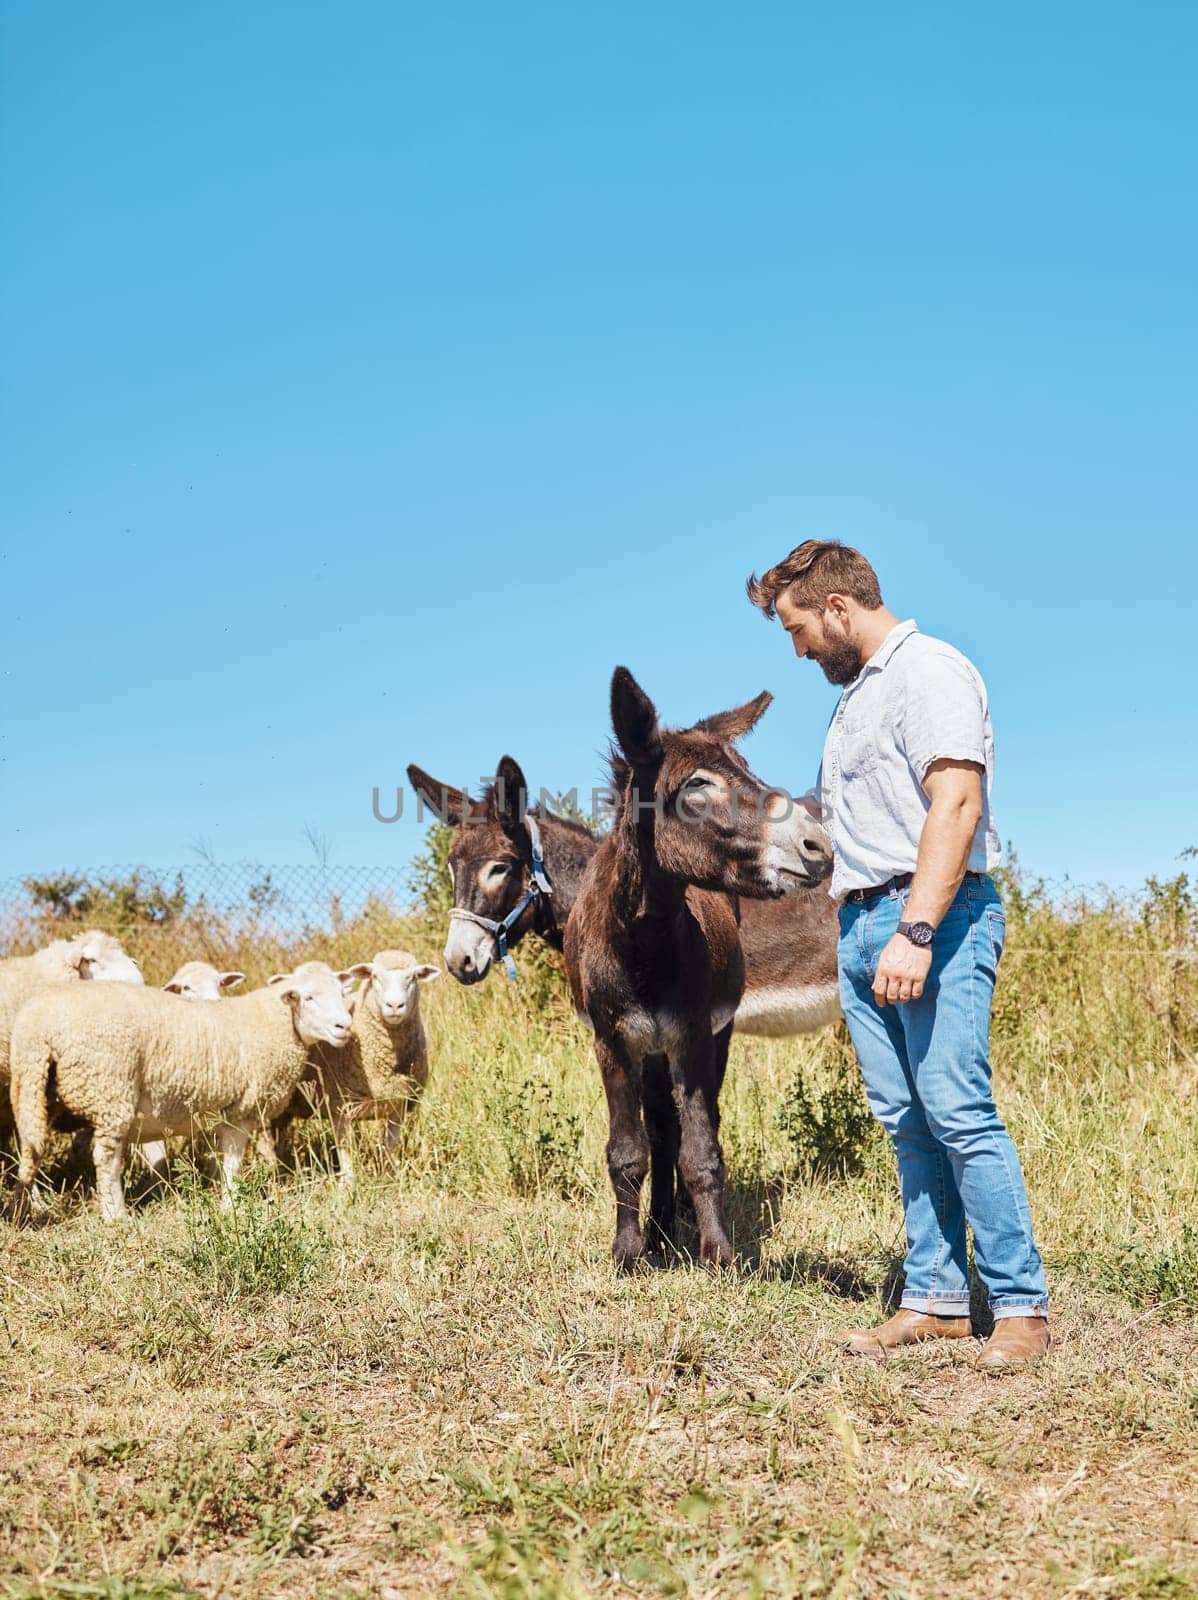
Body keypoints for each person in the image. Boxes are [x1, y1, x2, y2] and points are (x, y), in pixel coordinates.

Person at [747, 539, 1049, 1371]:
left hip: (934, 919)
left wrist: (917, 930)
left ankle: (1020, 1307)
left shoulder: (930, 673)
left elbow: (956, 803)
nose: (799, 649)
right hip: (857, 924)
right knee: (909, 1124)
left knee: (956, 1107)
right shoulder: (855, 701)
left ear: (838, 609)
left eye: (798, 629)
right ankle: (938, 1300)